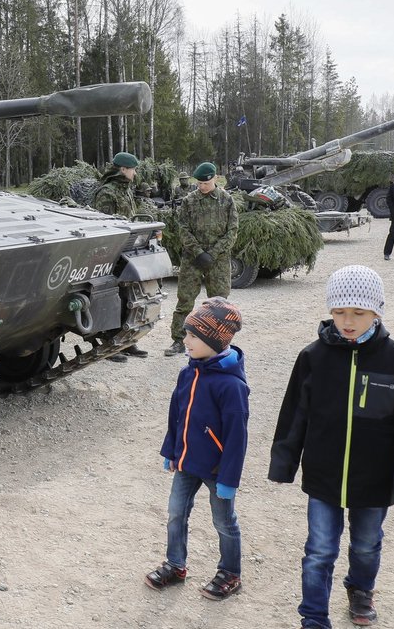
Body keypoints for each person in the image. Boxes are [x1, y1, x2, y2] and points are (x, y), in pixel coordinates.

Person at [269, 265, 394, 628]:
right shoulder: (313, 357)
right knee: (319, 551)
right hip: (323, 476)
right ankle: (313, 616)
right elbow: (295, 412)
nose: (348, 321)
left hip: (374, 480)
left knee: (366, 545)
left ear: (377, 312)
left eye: (358, 312)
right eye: (339, 312)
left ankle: (360, 589)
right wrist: (284, 462)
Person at [145, 297, 249, 601]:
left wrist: (229, 479)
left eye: (193, 335)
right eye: (186, 333)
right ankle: (175, 565)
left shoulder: (231, 386)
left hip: (217, 471)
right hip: (187, 463)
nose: (185, 339)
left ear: (215, 340)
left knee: (224, 521)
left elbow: (237, 437)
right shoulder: (188, 372)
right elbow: (177, 414)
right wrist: (171, 451)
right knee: (176, 513)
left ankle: (230, 573)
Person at [165, 162, 239, 356]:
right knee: (185, 301)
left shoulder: (227, 200)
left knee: (219, 303)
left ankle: (218, 342)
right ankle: (179, 341)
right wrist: (198, 252)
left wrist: (213, 254)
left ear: (214, 178)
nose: (201, 187)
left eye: (205, 183)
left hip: (219, 259)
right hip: (192, 258)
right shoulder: (189, 201)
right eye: (198, 183)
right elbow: (183, 229)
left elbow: (232, 231)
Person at [91, 151, 149, 361]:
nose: (135, 173)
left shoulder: (125, 191)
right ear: (123, 170)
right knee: (112, 297)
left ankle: (126, 342)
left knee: (128, 297)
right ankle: (108, 342)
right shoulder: (107, 192)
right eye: (132, 169)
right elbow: (104, 226)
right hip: (112, 252)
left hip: (127, 249)